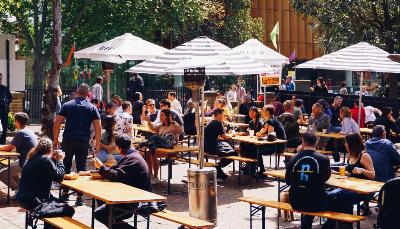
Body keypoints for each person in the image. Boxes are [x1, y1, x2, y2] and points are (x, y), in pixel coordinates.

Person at [285, 131, 350, 229]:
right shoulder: (323, 159)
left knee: (312, 201)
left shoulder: (293, 158)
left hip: (295, 201)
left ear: (302, 141)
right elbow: (326, 178)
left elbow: (288, 181)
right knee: (344, 206)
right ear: (317, 142)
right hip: (316, 201)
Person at [53, 83, 101, 206]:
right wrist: (97, 143)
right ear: (88, 94)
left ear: (77, 91)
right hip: (83, 140)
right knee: (81, 167)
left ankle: (64, 194)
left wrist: (55, 139)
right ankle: (79, 196)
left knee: (66, 165)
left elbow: (57, 123)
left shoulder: (67, 105)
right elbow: (98, 127)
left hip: (68, 139)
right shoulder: (92, 107)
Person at [93, 134, 150, 228]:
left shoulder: (133, 159)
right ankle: (114, 222)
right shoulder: (131, 156)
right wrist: (91, 172)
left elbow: (116, 175)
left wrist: (101, 167)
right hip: (127, 194)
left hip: (135, 200)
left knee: (100, 213)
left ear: (119, 148)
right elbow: (114, 169)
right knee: (100, 196)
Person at [16, 137, 73, 220]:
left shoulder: (31, 158)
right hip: (36, 201)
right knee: (69, 210)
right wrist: (60, 160)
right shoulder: (45, 159)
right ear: (50, 149)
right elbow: (59, 177)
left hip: (23, 198)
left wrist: (53, 160)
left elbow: (48, 171)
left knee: (59, 204)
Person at [329, 133, 375, 217]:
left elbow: (372, 175)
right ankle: (338, 221)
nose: (345, 145)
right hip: (351, 187)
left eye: (347, 143)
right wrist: (335, 172)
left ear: (353, 144)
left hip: (363, 190)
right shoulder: (351, 155)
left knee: (340, 198)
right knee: (331, 195)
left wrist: (362, 170)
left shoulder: (364, 156)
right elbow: (350, 173)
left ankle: (345, 222)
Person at [0, 113, 38, 193]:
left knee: (2, 174)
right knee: (9, 171)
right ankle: (22, 190)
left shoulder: (21, 133)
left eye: (14, 121)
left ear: (17, 122)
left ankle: (19, 192)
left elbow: (8, 149)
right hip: (32, 161)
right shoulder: (29, 131)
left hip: (26, 162)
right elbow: (11, 147)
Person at [143, 109, 183, 184]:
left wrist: (172, 122)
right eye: (160, 115)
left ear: (168, 116)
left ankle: (155, 177)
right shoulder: (162, 125)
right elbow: (154, 129)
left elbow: (181, 131)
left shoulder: (174, 125)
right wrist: (148, 121)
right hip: (161, 147)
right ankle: (151, 175)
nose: (160, 117)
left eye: (162, 115)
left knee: (153, 153)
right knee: (148, 153)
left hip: (171, 149)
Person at [204, 109, 237, 179]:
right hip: (211, 148)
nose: (223, 117)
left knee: (228, 149)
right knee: (233, 154)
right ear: (219, 115)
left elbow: (219, 135)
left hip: (206, 147)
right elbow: (224, 137)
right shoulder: (217, 123)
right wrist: (232, 135)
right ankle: (218, 167)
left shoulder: (211, 122)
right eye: (223, 115)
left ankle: (218, 168)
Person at [256, 105, 286, 173]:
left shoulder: (271, 121)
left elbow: (270, 136)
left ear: (268, 112)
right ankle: (253, 169)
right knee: (251, 148)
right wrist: (261, 134)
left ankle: (261, 171)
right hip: (275, 145)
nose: (261, 111)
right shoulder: (270, 120)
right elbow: (263, 132)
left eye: (263, 110)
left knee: (255, 151)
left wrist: (261, 135)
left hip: (276, 146)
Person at [239, 107, 264, 175]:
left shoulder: (260, 122)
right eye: (250, 112)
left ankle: (252, 166)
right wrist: (241, 133)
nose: (251, 113)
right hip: (253, 141)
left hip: (260, 142)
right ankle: (249, 165)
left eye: (253, 112)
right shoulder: (251, 122)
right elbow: (249, 132)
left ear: (257, 113)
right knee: (242, 144)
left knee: (247, 147)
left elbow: (262, 133)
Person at [0, 72, 12, 144]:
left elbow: (10, 98)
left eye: (0, 79)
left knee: (4, 126)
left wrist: (6, 101)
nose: (0, 80)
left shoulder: (5, 88)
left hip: (3, 110)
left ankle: (2, 141)